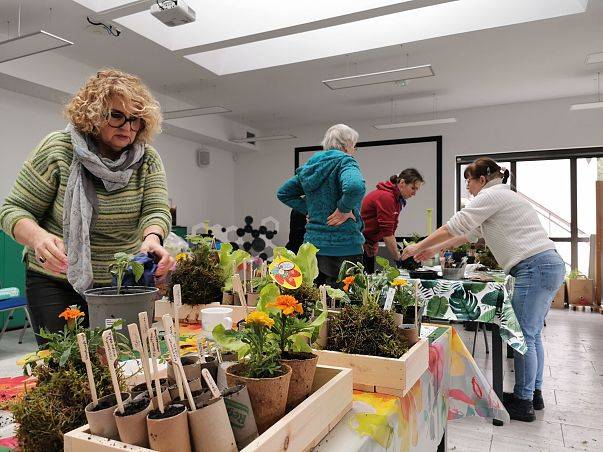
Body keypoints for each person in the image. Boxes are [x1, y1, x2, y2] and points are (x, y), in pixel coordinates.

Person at [0, 68, 175, 343]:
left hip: (119, 282)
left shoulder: (148, 159)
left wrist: (152, 238)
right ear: (93, 113)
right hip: (56, 279)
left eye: (136, 120)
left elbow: (155, 210)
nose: (128, 127)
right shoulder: (58, 149)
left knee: (121, 362)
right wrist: (39, 238)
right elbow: (12, 210)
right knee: (64, 365)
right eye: (117, 115)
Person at [402, 157, 565, 422]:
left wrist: (418, 246)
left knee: (522, 335)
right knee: (531, 335)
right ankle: (532, 394)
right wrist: (433, 249)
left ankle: (523, 403)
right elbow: (469, 235)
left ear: (482, 179)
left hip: (534, 266)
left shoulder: (492, 195)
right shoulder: (504, 197)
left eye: (469, 181)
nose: (468, 187)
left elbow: (454, 225)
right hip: (546, 263)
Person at [277, 124, 365, 286]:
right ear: (347, 146)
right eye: (354, 147)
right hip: (345, 247)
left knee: (316, 303)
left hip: (312, 247)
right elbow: (355, 186)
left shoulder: (311, 167)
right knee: (345, 306)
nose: (354, 151)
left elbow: (284, 193)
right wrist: (343, 209)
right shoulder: (345, 162)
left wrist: (310, 210)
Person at [361, 168, 424, 273]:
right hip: (359, 244)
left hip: (368, 244)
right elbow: (388, 233)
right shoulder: (386, 197)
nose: (414, 193)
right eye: (413, 188)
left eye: (416, 189)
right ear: (402, 183)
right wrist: (399, 259)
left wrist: (373, 242)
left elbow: (391, 228)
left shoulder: (397, 199)